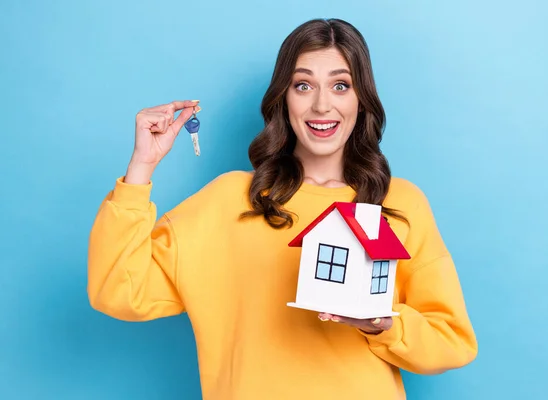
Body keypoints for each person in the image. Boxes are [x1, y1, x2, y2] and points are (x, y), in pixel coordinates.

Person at [87, 18, 477, 400]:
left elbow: (451, 339)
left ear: (362, 99)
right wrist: (141, 169)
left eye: (341, 85)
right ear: (284, 98)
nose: (322, 104)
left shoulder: (399, 204)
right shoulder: (228, 200)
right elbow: (118, 290)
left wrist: (381, 323)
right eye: (303, 85)